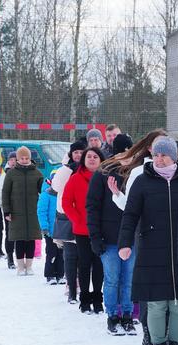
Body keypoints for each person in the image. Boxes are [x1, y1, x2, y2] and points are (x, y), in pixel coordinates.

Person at [118, 136, 178, 345]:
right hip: (151, 250)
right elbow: (130, 215)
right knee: (157, 305)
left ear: (174, 156)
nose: (159, 159)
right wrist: (125, 243)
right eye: (156, 154)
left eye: (164, 154)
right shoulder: (142, 181)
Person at [86, 133, 137, 334]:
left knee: (129, 279)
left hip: (131, 238)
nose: (125, 155)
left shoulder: (137, 172)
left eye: (129, 151)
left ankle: (127, 315)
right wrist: (95, 237)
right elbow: (92, 206)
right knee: (112, 278)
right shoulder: (103, 173)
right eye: (122, 151)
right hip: (109, 238)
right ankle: (112, 316)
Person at [63, 146, 106, 313]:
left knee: (99, 265)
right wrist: (77, 219)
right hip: (82, 230)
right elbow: (66, 202)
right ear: (83, 159)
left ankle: (97, 299)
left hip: (102, 230)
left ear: (101, 160)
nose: (92, 159)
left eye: (96, 156)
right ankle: (85, 300)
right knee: (84, 264)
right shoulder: (75, 178)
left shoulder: (105, 177)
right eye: (89, 156)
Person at [2, 146, 44, 275]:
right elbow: (5, 192)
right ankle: (20, 267)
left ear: (30, 159)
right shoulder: (11, 173)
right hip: (16, 213)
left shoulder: (37, 173)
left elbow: (43, 191)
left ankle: (29, 266)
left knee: (31, 239)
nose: (24, 160)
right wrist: (7, 211)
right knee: (19, 240)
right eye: (22, 158)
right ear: (17, 159)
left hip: (33, 212)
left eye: (27, 158)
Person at [52, 140, 85, 302]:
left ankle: (82, 286)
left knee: (84, 257)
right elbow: (56, 187)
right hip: (67, 216)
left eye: (81, 152)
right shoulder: (65, 170)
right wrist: (65, 168)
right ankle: (72, 289)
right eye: (75, 152)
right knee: (70, 256)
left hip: (85, 218)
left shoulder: (90, 169)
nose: (78, 155)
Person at [37, 171, 65, 285]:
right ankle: (50, 274)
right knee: (51, 252)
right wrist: (44, 227)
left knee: (62, 253)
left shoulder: (63, 194)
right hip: (50, 231)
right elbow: (41, 212)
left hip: (62, 230)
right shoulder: (46, 194)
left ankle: (60, 274)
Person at [0, 152, 17, 269]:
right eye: (11, 160)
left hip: (22, 209)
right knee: (10, 234)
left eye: (15, 159)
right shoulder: (5, 175)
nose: (13, 162)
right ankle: (10, 258)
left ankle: (23, 259)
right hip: (9, 210)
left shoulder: (23, 172)